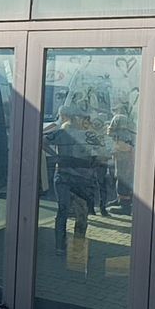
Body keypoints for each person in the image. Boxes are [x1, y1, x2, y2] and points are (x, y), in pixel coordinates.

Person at [44, 105, 99, 255]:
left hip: (67, 177)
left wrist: (56, 156)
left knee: (66, 211)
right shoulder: (82, 134)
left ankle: (63, 247)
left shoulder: (65, 133)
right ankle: (74, 249)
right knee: (78, 213)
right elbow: (99, 154)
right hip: (76, 178)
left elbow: (43, 141)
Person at [107, 104, 135, 215]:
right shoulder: (129, 121)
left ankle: (125, 205)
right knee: (123, 177)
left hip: (123, 153)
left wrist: (109, 131)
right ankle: (121, 199)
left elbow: (111, 132)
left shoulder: (119, 118)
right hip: (126, 152)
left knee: (122, 178)